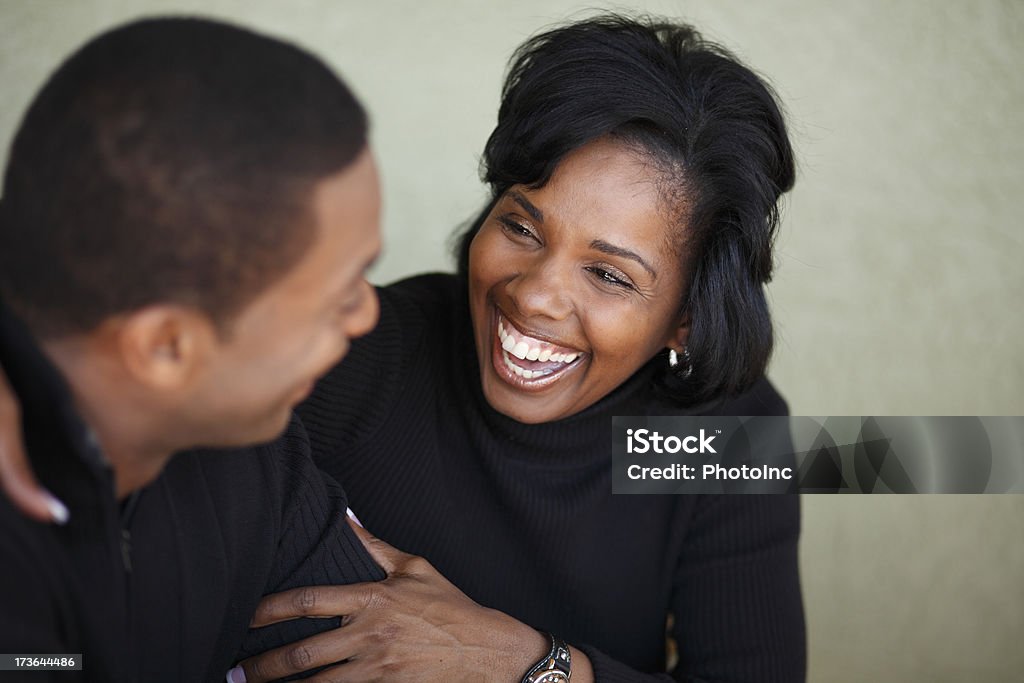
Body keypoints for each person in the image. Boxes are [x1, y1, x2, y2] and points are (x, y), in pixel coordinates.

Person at [1, 14, 805, 683]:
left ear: (688, 320)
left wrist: (533, 665)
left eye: (609, 274)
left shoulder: (733, 438)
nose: (532, 294)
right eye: (520, 225)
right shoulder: (348, 354)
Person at [0, 17, 387, 682]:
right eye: (340, 294)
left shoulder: (252, 447)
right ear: (166, 347)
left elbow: (367, 650)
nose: (371, 312)